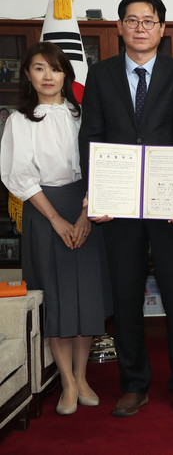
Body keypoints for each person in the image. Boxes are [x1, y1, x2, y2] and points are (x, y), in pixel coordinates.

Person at [79, 0, 173, 417]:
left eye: (149, 21)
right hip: (119, 204)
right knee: (126, 295)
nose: (140, 28)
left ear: (162, 28)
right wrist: (96, 191)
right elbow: (91, 135)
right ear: (119, 27)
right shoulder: (101, 75)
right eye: (132, 20)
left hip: (168, 203)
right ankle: (134, 384)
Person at [0, 42, 109, 415]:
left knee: (85, 297)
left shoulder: (82, 115)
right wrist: (56, 219)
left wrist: (86, 215)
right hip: (43, 210)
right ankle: (66, 381)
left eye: (56, 68)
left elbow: (101, 164)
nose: (48, 76)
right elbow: (19, 176)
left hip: (86, 206)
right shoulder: (19, 121)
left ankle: (82, 377)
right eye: (39, 68)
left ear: (67, 74)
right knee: (58, 299)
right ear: (27, 75)